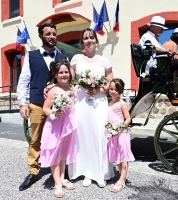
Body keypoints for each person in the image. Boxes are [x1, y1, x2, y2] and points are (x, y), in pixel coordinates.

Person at [17, 23, 68, 191]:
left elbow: (68, 81)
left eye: (54, 33)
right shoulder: (31, 56)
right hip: (38, 104)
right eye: (48, 34)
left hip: (59, 107)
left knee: (60, 139)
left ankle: (60, 171)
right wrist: (23, 103)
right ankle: (33, 171)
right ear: (41, 36)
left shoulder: (63, 57)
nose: (52, 36)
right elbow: (24, 81)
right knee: (36, 139)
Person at [68, 28, 115, 187]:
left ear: (96, 40)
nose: (89, 41)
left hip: (98, 101)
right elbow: (70, 80)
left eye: (91, 38)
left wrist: (99, 90)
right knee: (82, 134)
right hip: (81, 101)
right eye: (85, 38)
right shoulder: (76, 59)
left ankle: (99, 172)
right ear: (82, 42)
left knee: (99, 134)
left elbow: (110, 83)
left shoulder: (104, 61)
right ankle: (86, 171)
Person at [40, 60, 77, 198]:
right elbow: (45, 108)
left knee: (63, 154)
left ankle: (62, 178)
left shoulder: (72, 89)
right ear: (55, 75)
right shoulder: (53, 90)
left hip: (68, 125)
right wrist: (54, 114)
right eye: (60, 72)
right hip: (55, 125)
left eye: (66, 72)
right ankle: (57, 183)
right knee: (55, 154)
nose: (64, 75)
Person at [106, 78, 135, 193]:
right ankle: (121, 177)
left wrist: (120, 128)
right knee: (117, 157)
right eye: (111, 89)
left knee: (123, 157)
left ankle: (121, 181)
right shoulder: (109, 102)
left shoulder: (122, 103)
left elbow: (128, 119)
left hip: (121, 133)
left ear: (121, 91)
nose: (113, 91)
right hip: (112, 134)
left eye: (116, 90)